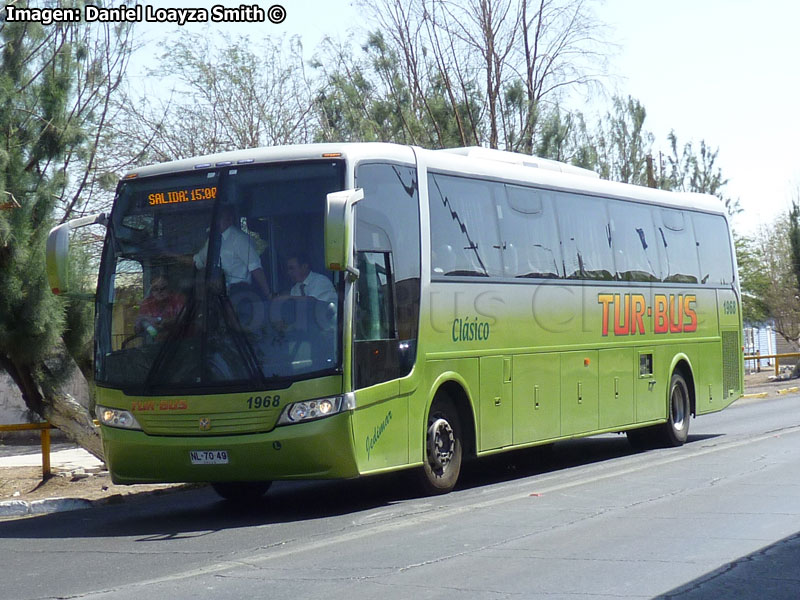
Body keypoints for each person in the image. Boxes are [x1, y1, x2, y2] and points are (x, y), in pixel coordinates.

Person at [193, 206, 272, 299]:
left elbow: (255, 268)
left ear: (229, 219)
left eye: (219, 218)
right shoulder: (212, 240)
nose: (215, 222)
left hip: (239, 294)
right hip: (216, 296)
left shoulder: (240, 239)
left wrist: (268, 294)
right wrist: (174, 257)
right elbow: (198, 261)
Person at [135, 276, 186, 341]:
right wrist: (154, 333)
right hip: (158, 346)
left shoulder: (179, 300)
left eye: (163, 288)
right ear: (151, 290)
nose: (159, 291)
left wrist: (164, 322)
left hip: (180, 341)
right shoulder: (146, 304)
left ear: (169, 289)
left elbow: (183, 319)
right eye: (155, 289)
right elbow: (139, 328)